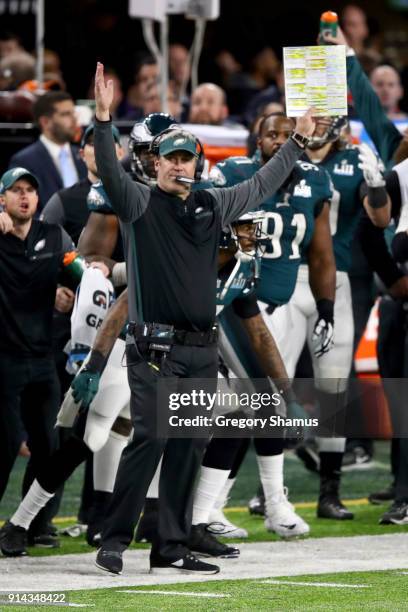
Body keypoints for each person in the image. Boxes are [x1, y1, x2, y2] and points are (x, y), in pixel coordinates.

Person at [91, 62, 314, 576]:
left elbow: (263, 182)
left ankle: (170, 545)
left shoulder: (213, 205)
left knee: (190, 444)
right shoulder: (138, 203)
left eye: (186, 157)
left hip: (200, 348)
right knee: (151, 438)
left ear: (196, 162)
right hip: (156, 349)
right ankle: (115, 536)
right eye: (170, 158)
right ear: (157, 164)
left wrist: (298, 143)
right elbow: (108, 169)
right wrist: (104, 122)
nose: (178, 165)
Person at [207, 112, 335, 530]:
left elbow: (320, 254)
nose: (279, 140)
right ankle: (227, 508)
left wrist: (326, 305)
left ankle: (247, 506)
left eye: (286, 133)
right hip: (240, 307)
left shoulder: (315, 180)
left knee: (259, 409)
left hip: (283, 307)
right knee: (257, 404)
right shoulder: (234, 173)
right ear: (255, 140)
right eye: (271, 133)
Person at [0, 167, 74, 544]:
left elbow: (78, 273)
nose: (24, 196)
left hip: (43, 357)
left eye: (30, 190)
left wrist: (70, 291)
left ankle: (30, 523)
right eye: (16, 191)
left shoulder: (53, 236)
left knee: (49, 446)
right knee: (8, 441)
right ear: (2, 199)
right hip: (4, 359)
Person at [8, 91, 87, 208]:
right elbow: (22, 209)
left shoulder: (84, 155)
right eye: (66, 114)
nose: (74, 119)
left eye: (73, 113)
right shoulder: (24, 162)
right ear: (45, 122)